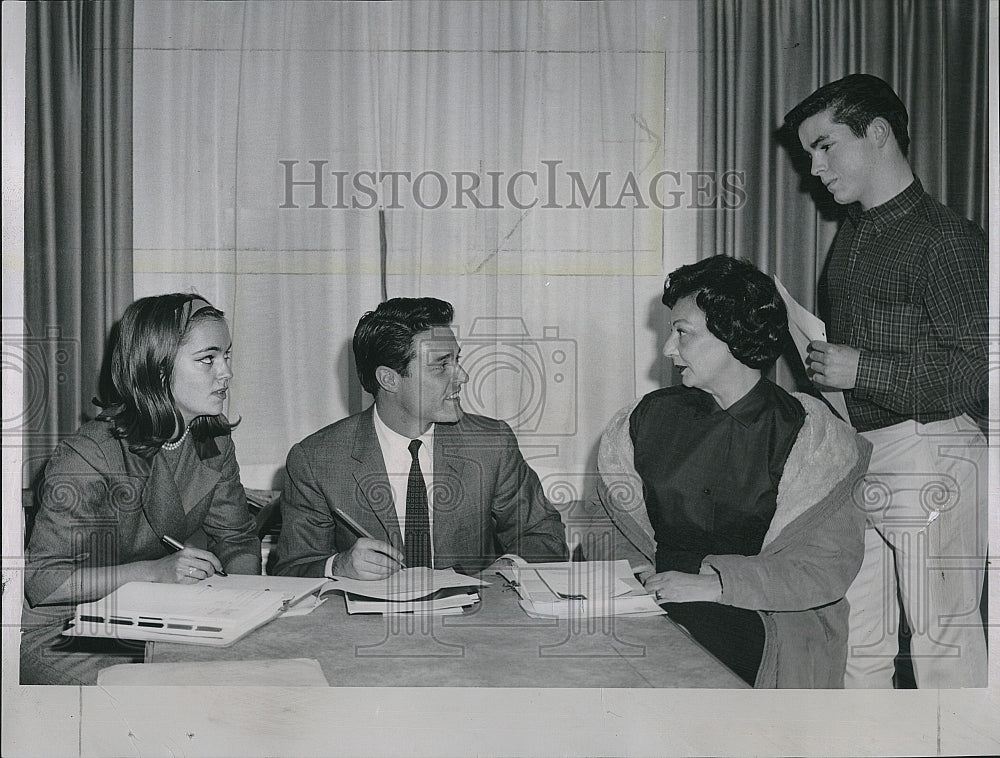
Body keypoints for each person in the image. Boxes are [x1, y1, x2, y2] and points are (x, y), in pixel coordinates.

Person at [784, 74, 988, 688]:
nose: (814, 167)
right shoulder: (852, 234)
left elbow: (978, 366)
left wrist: (861, 368)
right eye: (808, 153)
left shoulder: (947, 238)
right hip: (862, 451)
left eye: (824, 146)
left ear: (876, 133)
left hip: (932, 449)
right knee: (860, 638)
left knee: (943, 640)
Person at [591, 255, 870, 688]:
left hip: (767, 618)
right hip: (654, 601)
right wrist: (631, 577)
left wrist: (715, 585)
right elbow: (608, 525)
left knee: (670, 653)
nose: (667, 349)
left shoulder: (813, 436)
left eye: (682, 333)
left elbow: (824, 568)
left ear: (734, 336)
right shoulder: (645, 419)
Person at [21, 294, 262, 685]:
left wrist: (242, 603)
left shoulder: (212, 440)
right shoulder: (89, 454)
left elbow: (237, 538)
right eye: (208, 358)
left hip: (148, 619)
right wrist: (153, 572)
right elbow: (44, 582)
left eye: (227, 356)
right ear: (159, 368)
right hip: (64, 630)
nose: (226, 373)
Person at [270, 297, 567, 579]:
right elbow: (291, 570)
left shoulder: (492, 444)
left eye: (457, 360)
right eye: (441, 365)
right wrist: (339, 566)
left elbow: (543, 537)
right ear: (389, 379)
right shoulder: (315, 460)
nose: (462, 376)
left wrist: (506, 570)